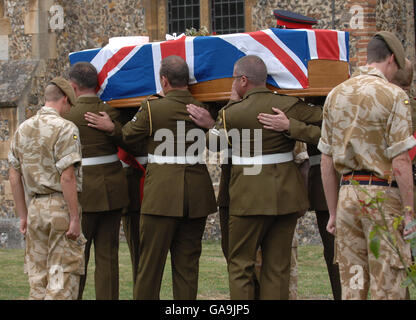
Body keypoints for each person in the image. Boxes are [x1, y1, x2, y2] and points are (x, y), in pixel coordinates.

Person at [84, 55, 217, 300]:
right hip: (196, 196)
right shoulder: (205, 106)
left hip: (162, 197)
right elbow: (223, 141)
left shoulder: (152, 108)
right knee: (188, 267)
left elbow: (128, 136)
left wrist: (111, 128)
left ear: (164, 81)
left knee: (150, 267)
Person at [205, 55, 322, 299]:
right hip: (285, 199)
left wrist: (228, 104)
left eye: (234, 79)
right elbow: (328, 125)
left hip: (248, 201)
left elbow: (212, 142)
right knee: (278, 268)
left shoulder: (232, 113)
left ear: (243, 80)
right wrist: (292, 127)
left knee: (240, 266)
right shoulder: (287, 105)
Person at [318, 31, 415, 300]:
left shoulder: (335, 94)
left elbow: (327, 160)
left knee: (352, 282)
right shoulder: (395, 96)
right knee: (390, 283)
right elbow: (401, 160)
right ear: (393, 59)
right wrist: (409, 213)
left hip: (348, 194)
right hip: (383, 196)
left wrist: (333, 212)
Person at [8, 77, 85, 300]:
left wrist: (23, 215)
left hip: (35, 208)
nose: (69, 109)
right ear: (64, 99)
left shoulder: (22, 128)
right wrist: (74, 217)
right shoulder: (65, 128)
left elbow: (14, 176)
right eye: (69, 104)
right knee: (60, 276)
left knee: (38, 279)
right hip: (60, 207)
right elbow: (67, 176)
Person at [257, 99, 342, 300]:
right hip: (296, 178)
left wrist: (290, 126)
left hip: (331, 177)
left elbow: (337, 134)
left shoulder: (340, 99)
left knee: (336, 253)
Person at [65, 62, 129, 300]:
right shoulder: (110, 112)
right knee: (108, 257)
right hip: (112, 191)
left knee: (77, 257)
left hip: (82, 193)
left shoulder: (67, 116)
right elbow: (129, 141)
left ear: (73, 86)